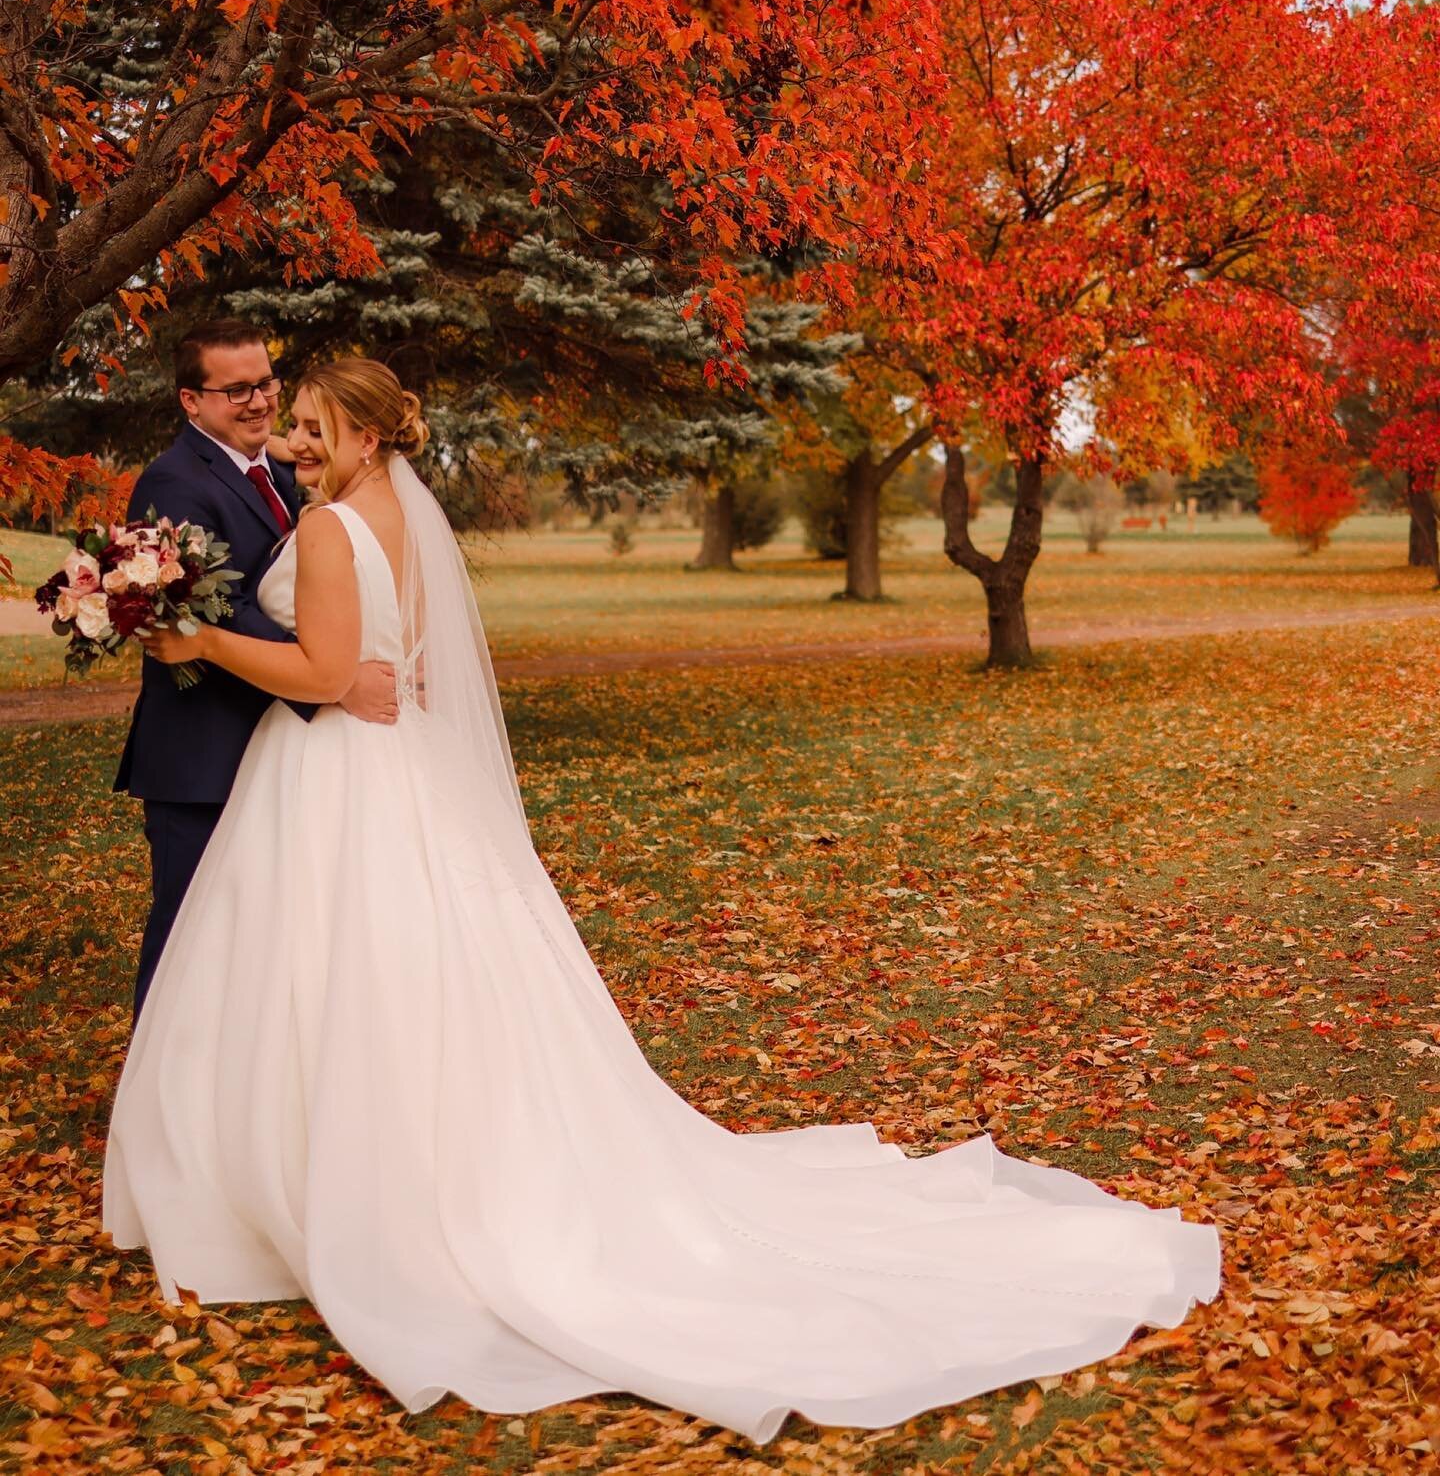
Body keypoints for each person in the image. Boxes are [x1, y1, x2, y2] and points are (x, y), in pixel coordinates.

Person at [103, 357, 1221, 1446]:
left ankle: (331, 1197)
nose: (294, 442)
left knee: (331, 974)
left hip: (338, 775)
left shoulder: (343, 527)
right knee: (381, 975)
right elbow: (412, 665)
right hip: (388, 778)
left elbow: (321, 673)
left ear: (360, 433)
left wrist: (198, 638)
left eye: (308, 425)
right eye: (287, 422)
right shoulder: (405, 513)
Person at [114, 320, 398, 1023]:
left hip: (278, 755)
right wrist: (334, 678)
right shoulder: (172, 483)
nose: (259, 401)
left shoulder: (282, 466)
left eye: (266, 381)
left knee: (254, 948)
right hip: (201, 754)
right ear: (191, 400)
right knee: (187, 937)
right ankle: (152, 1105)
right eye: (235, 389)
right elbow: (223, 607)